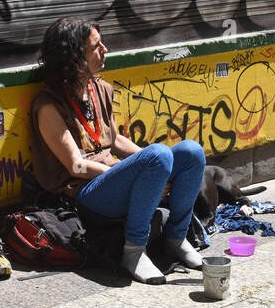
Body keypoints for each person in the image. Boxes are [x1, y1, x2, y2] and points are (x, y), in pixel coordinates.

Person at [28, 16, 206, 284]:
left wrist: (158, 167)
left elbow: (114, 139)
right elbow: (75, 165)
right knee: (158, 156)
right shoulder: (49, 105)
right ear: (74, 57)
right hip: (85, 191)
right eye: (96, 46)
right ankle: (134, 250)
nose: (105, 50)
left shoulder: (100, 88)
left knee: (191, 152)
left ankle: (176, 238)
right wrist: (128, 169)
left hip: (112, 177)